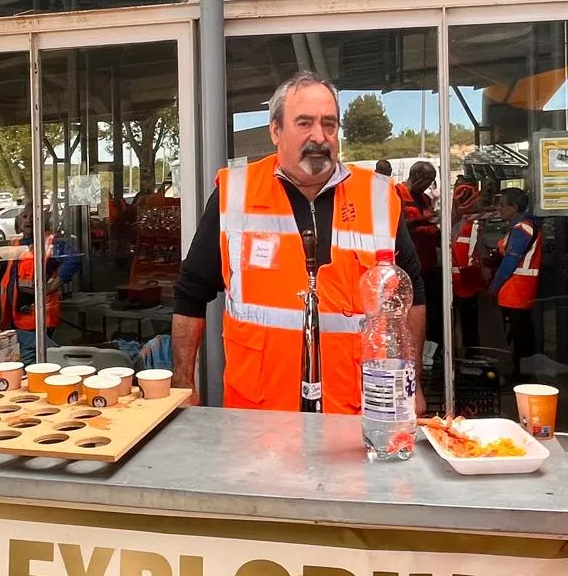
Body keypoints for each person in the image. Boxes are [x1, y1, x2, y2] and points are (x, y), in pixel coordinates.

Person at [172, 71, 428, 414]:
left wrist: (413, 383)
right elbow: (191, 292)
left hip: (355, 413)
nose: (319, 136)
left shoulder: (378, 197)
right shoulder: (235, 194)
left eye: (329, 124)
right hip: (258, 415)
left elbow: (412, 296)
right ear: (276, 130)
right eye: (304, 123)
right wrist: (183, 384)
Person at [3, 205, 81, 363]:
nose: (28, 220)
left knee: (33, 363)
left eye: (33, 216)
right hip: (16, 316)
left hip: (37, 317)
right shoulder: (17, 244)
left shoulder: (51, 243)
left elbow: (74, 259)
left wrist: (53, 285)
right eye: (25, 216)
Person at [489, 187, 546, 368]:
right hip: (520, 290)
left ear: (514, 208)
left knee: (518, 337)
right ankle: (523, 372)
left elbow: (510, 261)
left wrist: (494, 286)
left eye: (502, 206)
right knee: (521, 334)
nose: (499, 209)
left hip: (515, 290)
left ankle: (521, 374)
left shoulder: (522, 229)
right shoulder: (526, 226)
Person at [398, 161, 442, 354]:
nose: (428, 187)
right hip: (409, 266)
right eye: (427, 181)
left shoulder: (424, 199)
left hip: (429, 262)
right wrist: (420, 221)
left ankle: (431, 351)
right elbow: (397, 226)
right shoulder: (397, 194)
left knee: (432, 311)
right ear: (417, 178)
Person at [448, 181, 486, 357]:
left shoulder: (456, 223)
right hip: (464, 281)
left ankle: (461, 357)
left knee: (458, 325)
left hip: (458, 280)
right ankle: (471, 357)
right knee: (468, 325)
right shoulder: (471, 224)